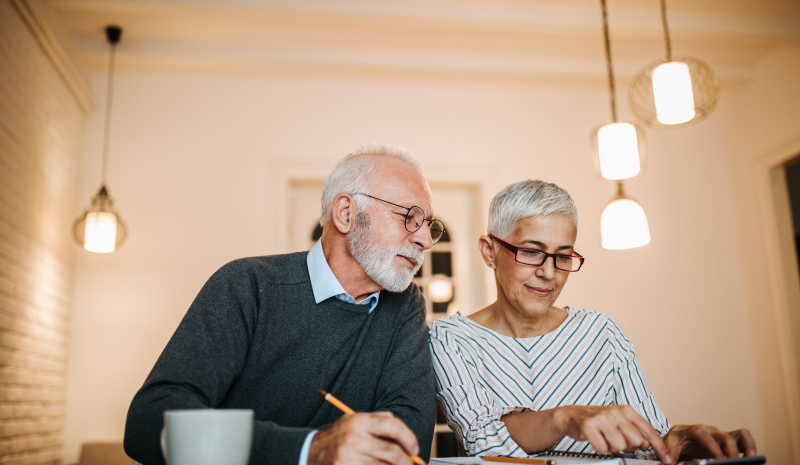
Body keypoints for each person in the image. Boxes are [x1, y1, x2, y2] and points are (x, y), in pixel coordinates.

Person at [124, 144, 443, 465]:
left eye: (428, 224)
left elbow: (407, 440)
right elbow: (149, 422)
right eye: (409, 217)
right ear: (346, 213)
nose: (425, 240)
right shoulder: (248, 284)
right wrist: (309, 450)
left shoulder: (406, 305)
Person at [429, 180, 757, 464]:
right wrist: (565, 418)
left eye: (563, 256)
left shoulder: (603, 333)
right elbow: (483, 441)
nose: (548, 272)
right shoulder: (449, 338)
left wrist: (680, 441)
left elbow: (648, 446)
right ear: (489, 252)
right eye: (531, 251)